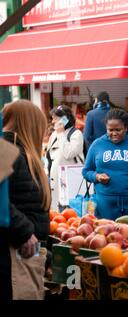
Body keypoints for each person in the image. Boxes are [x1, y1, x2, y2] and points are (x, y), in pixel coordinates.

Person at [0, 100, 51, 300]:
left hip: (22, 253)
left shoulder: (20, 154)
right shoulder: (12, 155)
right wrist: (24, 231)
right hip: (13, 255)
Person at [82, 108, 128, 220]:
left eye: (118, 130)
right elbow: (86, 171)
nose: (114, 134)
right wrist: (96, 176)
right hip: (105, 206)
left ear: (126, 128)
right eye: (110, 130)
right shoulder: (97, 145)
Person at [45, 105, 84, 211]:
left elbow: (68, 153)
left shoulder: (76, 134)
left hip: (70, 182)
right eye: (52, 118)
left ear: (65, 119)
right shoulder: (54, 134)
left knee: (69, 212)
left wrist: (61, 133)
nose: (53, 121)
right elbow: (48, 156)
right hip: (54, 180)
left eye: (55, 118)